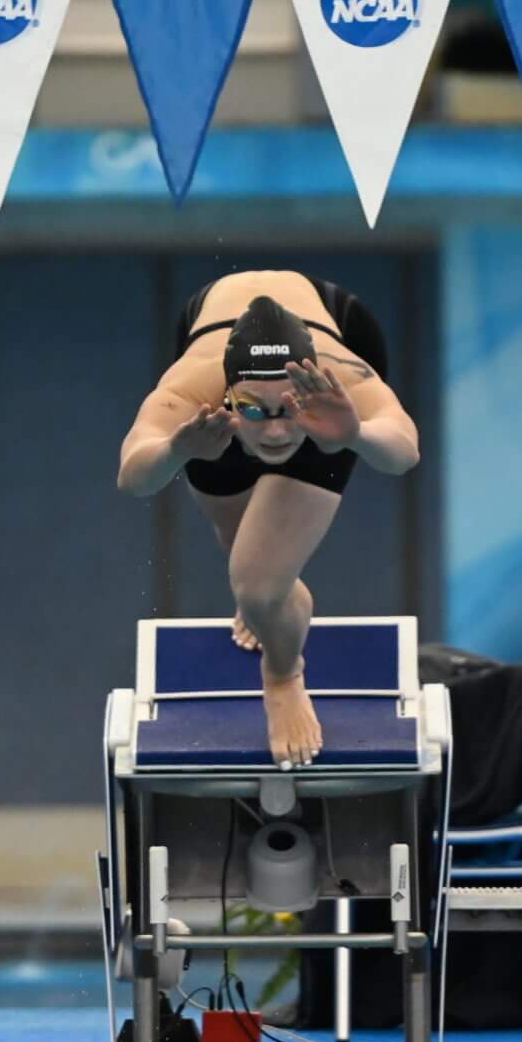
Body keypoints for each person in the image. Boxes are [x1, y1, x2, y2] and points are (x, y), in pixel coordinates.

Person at [117, 271, 421, 767]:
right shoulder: (196, 385)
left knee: (256, 587)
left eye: (288, 409)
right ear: (230, 394)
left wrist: (355, 433)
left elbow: (403, 453)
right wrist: (176, 449)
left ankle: (282, 675)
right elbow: (133, 476)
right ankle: (271, 595)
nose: (277, 431)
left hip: (331, 338)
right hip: (206, 323)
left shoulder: (338, 377)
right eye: (257, 411)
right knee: (247, 557)